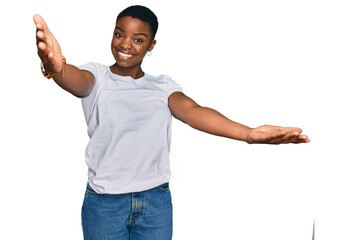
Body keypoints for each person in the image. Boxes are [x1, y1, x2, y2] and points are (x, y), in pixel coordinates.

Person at [33, 5, 310, 240]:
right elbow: (76, 80)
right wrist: (56, 67)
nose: (125, 44)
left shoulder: (162, 86)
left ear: (151, 45)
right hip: (105, 203)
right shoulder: (98, 77)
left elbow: (193, 111)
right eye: (119, 34)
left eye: (138, 39)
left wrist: (248, 133)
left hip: (155, 203)